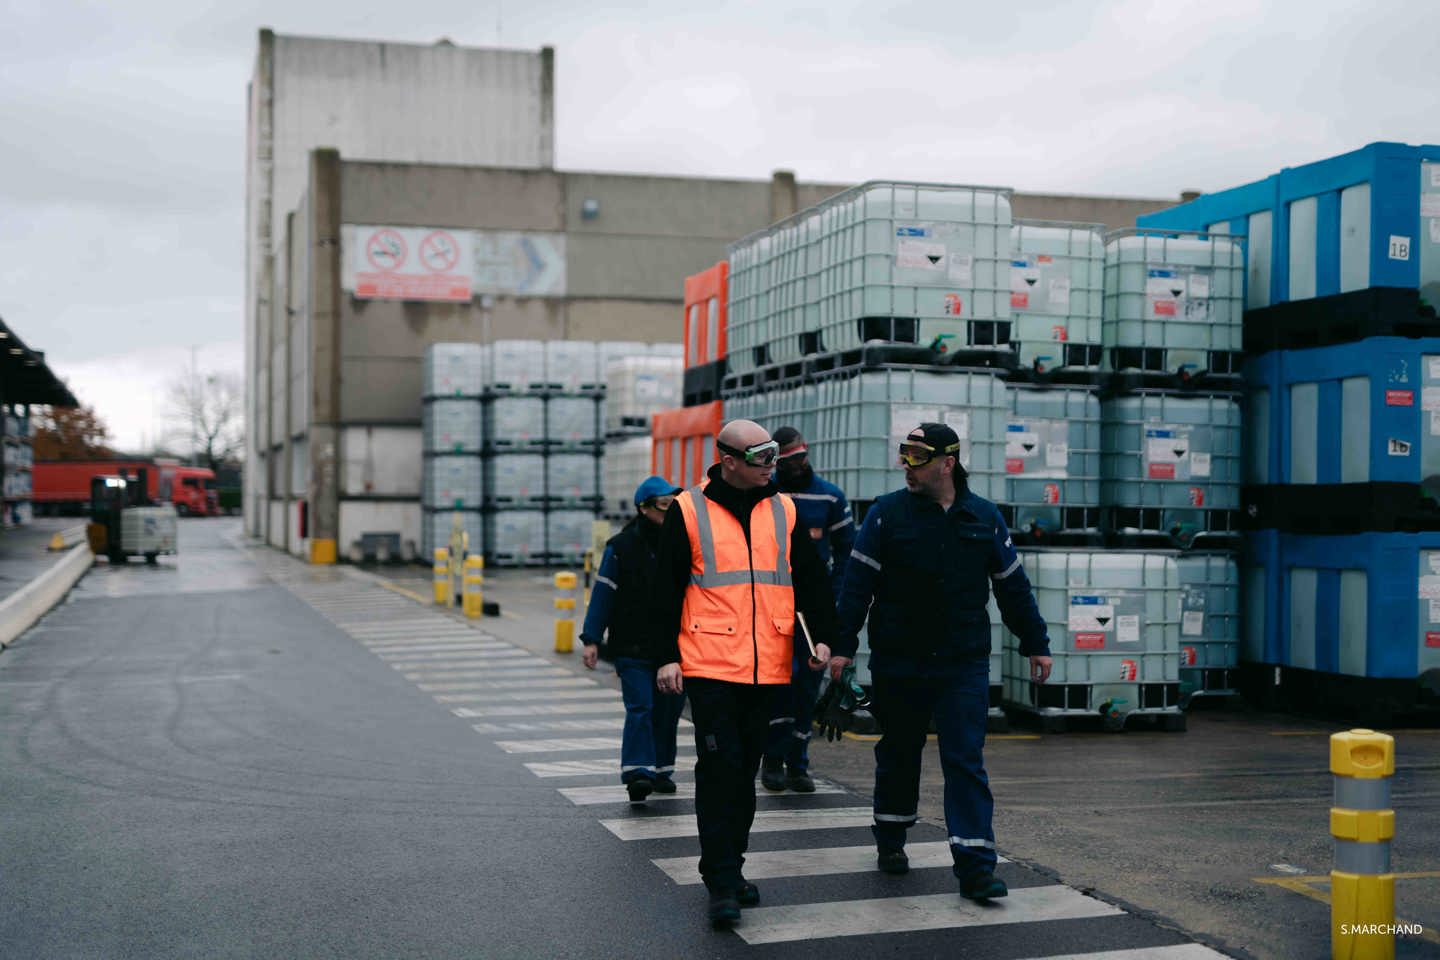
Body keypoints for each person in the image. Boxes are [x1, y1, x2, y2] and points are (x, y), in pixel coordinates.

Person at [829, 422, 1052, 902]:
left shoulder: (984, 517)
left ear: (947, 463)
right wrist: (842, 648)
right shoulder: (887, 516)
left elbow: (1012, 587)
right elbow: (855, 588)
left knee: (965, 759)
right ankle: (890, 836)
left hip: (963, 663)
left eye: (916, 457)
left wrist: (1035, 641)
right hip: (899, 661)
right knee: (899, 751)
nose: (905, 466)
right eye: (903, 455)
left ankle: (975, 867)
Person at [651, 419, 837, 927]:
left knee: (745, 775)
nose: (771, 466)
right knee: (720, 772)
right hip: (709, 668)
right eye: (761, 457)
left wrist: (825, 636)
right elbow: (664, 589)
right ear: (728, 460)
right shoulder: (689, 510)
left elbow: (814, 581)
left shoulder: (784, 509)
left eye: (773, 456)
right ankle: (721, 881)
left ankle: (731, 869)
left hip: (769, 667)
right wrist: (666, 655)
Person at [581, 476, 687, 804]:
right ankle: (638, 773)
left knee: (669, 709)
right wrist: (592, 638)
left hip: (673, 646)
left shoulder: (683, 544)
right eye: (664, 505)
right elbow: (603, 594)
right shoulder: (621, 547)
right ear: (644, 508)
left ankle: (662, 769)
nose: (670, 511)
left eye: (675, 504)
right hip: (632, 646)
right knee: (641, 706)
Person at [761, 426, 854, 794]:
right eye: (788, 460)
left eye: (802, 456)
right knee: (778, 686)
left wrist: (835, 598)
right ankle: (772, 758)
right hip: (771, 608)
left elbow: (847, 551)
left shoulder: (830, 498)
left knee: (806, 686)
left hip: (813, 610)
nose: (798, 464)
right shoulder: (764, 497)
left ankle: (798, 763)